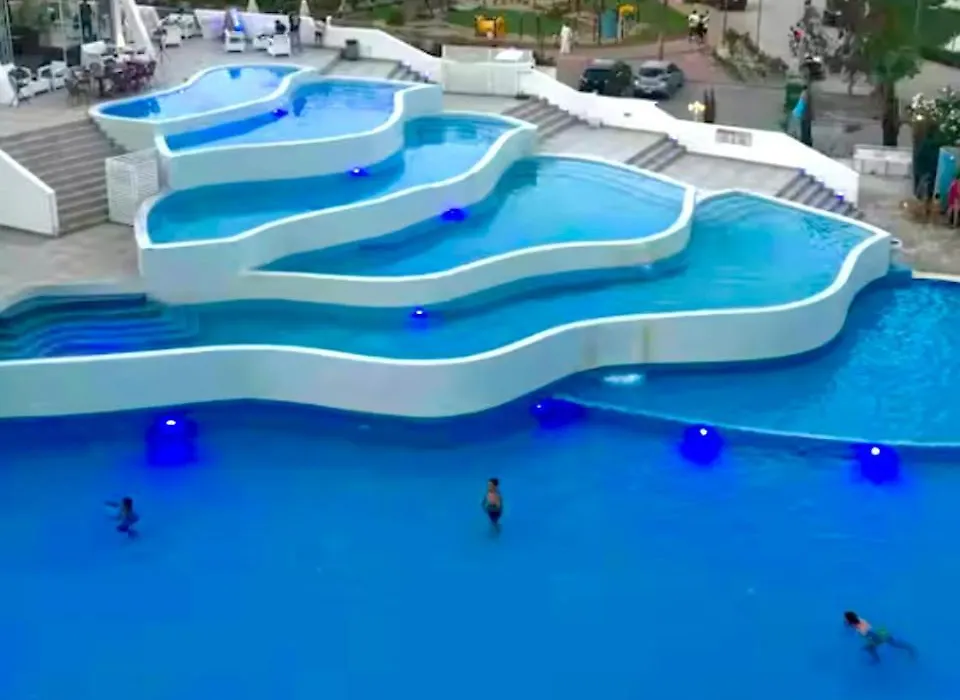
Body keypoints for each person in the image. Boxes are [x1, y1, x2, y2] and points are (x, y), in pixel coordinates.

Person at [844, 611, 916, 663]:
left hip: (877, 636)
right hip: (880, 631)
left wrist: (871, 644)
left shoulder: (859, 628)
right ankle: (909, 648)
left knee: (871, 648)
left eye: (846, 618)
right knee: (893, 643)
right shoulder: (859, 619)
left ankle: (877, 660)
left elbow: (870, 635)